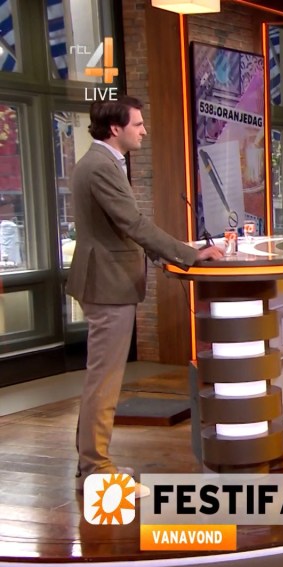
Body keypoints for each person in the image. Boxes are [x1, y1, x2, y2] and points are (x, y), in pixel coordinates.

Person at [67, 97, 224, 494]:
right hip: (106, 285)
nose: (143, 131)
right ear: (115, 128)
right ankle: (96, 469)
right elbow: (133, 223)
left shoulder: (104, 163)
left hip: (109, 282)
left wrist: (169, 254)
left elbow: (122, 229)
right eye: (137, 124)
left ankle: (90, 463)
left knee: (102, 378)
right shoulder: (100, 166)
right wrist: (188, 254)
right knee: (104, 380)